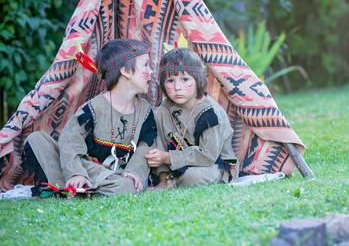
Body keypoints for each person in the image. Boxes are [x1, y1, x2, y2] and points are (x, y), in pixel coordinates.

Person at [21, 39, 157, 196]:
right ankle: (73, 184)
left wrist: (135, 173)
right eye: (146, 65)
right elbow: (70, 141)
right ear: (126, 71)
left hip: (116, 176)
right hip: (85, 166)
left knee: (126, 187)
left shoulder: (145, 110)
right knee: (36, 139)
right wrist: (76, 172)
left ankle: (70, 191)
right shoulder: (93, 108)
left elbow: (145, 148)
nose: (152, 71)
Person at [145, 47, 239, 189]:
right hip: (181, 162)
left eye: (184, 79)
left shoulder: (210, 113)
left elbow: (208, 156)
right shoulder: (167, 106)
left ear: (198, 81)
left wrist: (166, 157)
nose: (177, 87)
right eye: (170, 80)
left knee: (191, 177)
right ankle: (164, 180)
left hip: (214, 164)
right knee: (157, 113)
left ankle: (176, 180)